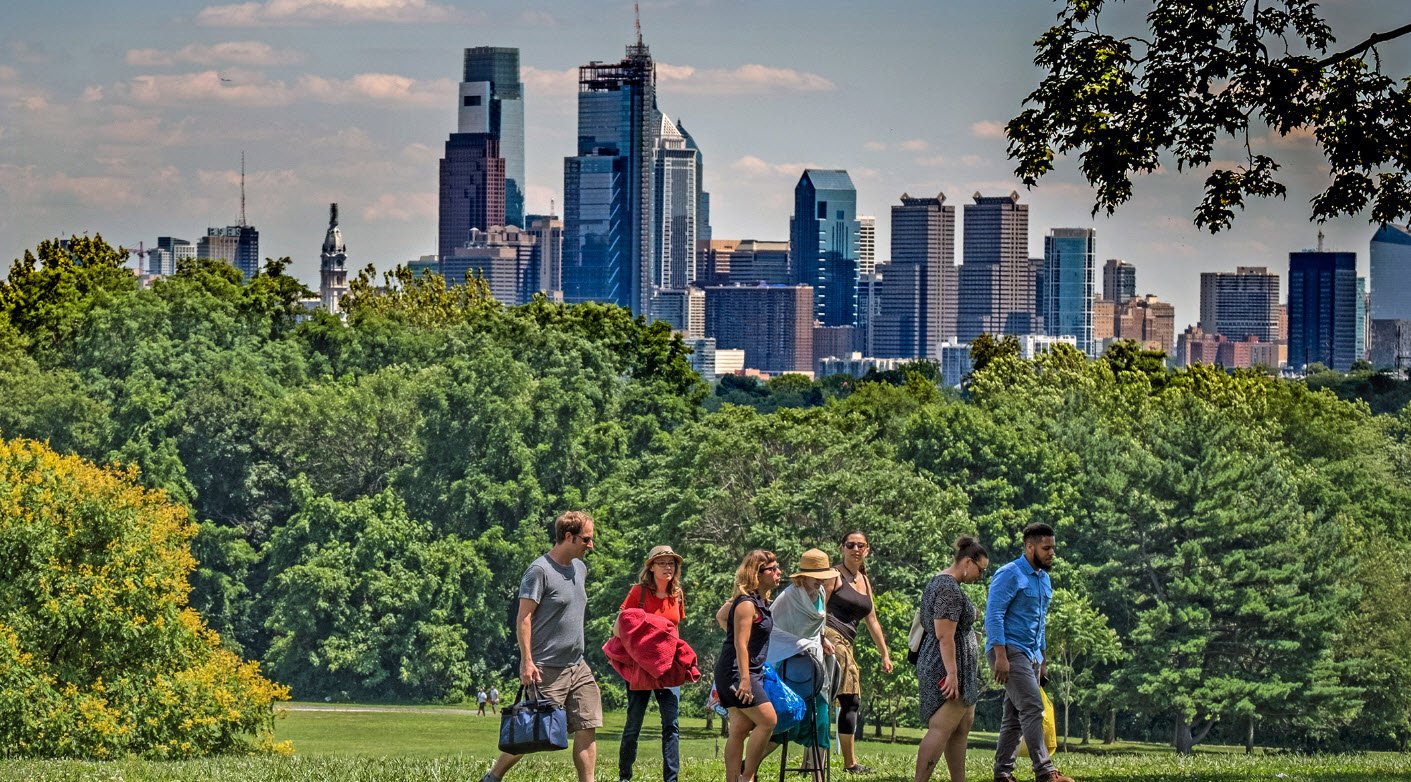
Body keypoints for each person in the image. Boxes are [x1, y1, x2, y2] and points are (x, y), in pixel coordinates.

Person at [482, 511, 603, 782]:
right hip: (546, 667)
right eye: (586, 539)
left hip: (577, 664)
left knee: (588, 725)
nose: (591, 545)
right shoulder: (539, 571)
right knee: (531, 732)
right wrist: (527, 661)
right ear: (568, 537)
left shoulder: (580, 569)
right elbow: (523, 618)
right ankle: (493, 776)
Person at [985, 523, 1073, 782]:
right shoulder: (1010, 573)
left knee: (1014, 715)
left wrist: (1042, 659)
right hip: (1009, 650)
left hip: (1031, 654)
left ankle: (1002, 773)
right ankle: (1045, 772)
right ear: (1029, 546)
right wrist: (1000, 656)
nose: (1051, 553)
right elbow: (994, 614)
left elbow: (1040, 621)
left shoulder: (1043, 579)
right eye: (1046, 548)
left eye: (1053, 548)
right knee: (1033, 707)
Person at [914, 535, 989, 782]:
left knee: (960, 728)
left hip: (956, 668)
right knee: (942, 728)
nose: (981, 575)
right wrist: (953, 674)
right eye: (981, 569)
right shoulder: (948, 588)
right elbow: (944, 636)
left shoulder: (947, 585)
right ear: (968, 562)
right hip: (944, 667)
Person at [765, 548, 840, 782]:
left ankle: (819, 776)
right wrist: (799, 644)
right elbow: (770, 629)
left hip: (815, 667)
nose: (820, 580)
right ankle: (748, 765)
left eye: (823, 576)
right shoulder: (789, 597)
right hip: (790, 668)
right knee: (785, 721)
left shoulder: (819, 594)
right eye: (816, 575)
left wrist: (822, 639)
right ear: (803, 575)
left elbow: (816, 628)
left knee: (821, 719)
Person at [824, 530, 894, 775]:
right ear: (842, 548)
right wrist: (821, 638)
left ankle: (847, 763)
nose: (855, 549)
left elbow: (872, 619)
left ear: (867, 550)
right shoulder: (833, 575)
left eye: (860, 545)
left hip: (847, 643)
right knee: (848, 700)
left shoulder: (864, 580)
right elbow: (818, 610)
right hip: (831, 639)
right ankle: (849, 764)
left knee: (847, 702)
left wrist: (884, 653)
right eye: (850, 544)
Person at [617, 545, 687, 782]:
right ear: (651, 567)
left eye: (671, 563)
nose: (668, 567)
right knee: (633, 724)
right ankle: (624, 777)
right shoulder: (639, 593)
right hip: (640, 667)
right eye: (662, 563)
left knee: (672, 725)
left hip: (668, 669)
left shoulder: (677, 594)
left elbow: (675, 628)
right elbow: (620, 626)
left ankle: (671, 779)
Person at [713, 549, 782, 782]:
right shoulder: (745, 604)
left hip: (750, 670)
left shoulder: (760, 601)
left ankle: (733, 780)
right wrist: (744, 680)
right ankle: (747, 777)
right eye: (772, 569)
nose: (778, 572)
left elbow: (722, 616)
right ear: (757, 573)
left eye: (777, 567)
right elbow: (740, 645)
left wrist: (737, 636)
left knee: (740, 729)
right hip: (737, 672)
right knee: (768, 720)